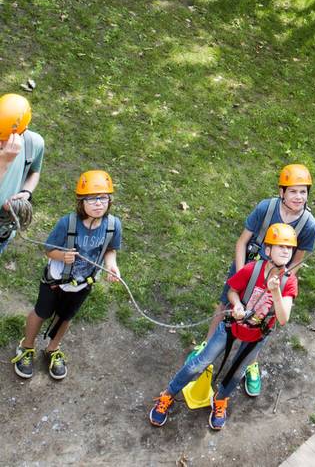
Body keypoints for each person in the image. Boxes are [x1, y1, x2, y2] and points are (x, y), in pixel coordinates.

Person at [148, 222, 299, 431]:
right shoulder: (252, 269)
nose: (285, 250)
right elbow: (232, 291)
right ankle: (168, 394)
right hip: (231, 326)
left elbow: (283, 319)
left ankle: (220, 400)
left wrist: (275, 292)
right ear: (267, 249)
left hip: (257, 334)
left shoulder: (289, 283)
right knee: (199, 363)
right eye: (280, 245)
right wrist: (237, 304)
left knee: (237, 372)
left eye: (289, 247)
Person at [198, 163, 315, 397]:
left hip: (273, 279)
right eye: (293, 191)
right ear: (282, 192)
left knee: (261, 318)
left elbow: (296, 262)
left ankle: (249, 360)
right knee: (226, 305)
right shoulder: (266, 208)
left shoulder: (308, 225)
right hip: (248, 267)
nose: (298, 197)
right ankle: (207, 346)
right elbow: (242, 242)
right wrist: (243, 277)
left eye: (303, 191)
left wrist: (278, 288)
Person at [11, 170, 121, 380]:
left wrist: (112, 265)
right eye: (92, 198)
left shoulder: (113, 225)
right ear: (81, 201)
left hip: (82, 284)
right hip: (56, 280)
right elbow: (48, 250)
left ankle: (52, 348)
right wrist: (62, 256)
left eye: (103, 198)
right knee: (41, 313)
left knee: (65, 317)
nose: (98, 203)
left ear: (109, 200)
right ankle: (26, 347)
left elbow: (110, 250)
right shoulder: (67, 223)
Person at [0, 94, 44, 256]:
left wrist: (26, 192)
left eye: (4, 138)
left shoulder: (33, 144)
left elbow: (34, 171)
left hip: (3, 231)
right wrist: (4, 161)